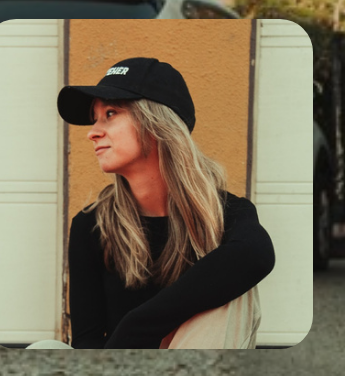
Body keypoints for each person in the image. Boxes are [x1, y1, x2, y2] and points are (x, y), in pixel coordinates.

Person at [52, 56, 274, 349]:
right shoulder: (92, 225)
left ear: (156, 123)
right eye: (95, 118)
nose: (92, 132)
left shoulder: (224, 214)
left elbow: (257, 255)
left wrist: (137, 325)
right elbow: (87, 342)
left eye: (110, 113)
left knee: (235, 290)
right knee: (45, 349)